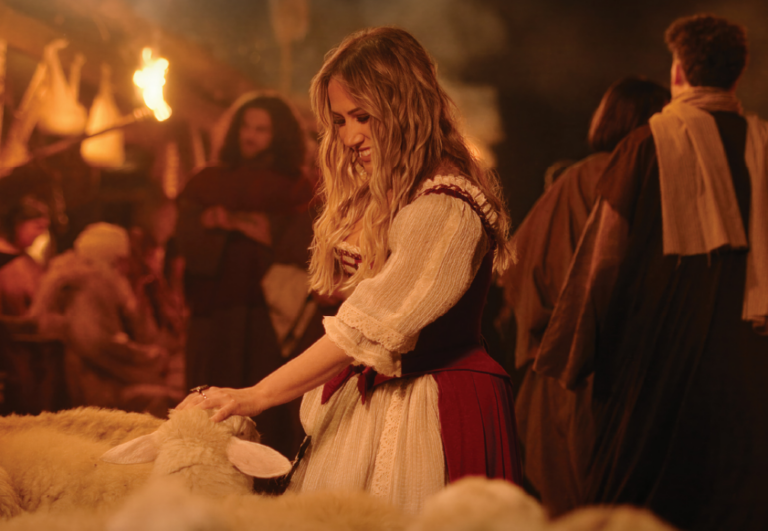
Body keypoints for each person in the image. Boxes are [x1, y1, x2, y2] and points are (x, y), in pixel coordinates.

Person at [178, 27, 521, 513]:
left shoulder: (445, 206)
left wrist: (255, 395)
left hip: (433, 400)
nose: (350, 135)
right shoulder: (397, 194)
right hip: (378, 391)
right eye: (339, 120)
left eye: (363, 116)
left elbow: (367, 326)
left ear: (405, 106)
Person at [533, 15, 768, 530]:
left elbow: (602, 261)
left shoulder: (645, 146)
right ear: (737, 74)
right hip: (748, 368)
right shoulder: (763, 144)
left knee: (640, 506)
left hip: (654, 364)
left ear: (678, 71)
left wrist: (576, 354)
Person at [497, 77, 669, 514]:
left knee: (574, 504)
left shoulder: (581, 178)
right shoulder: (651, 178)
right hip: (631, 368)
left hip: (567, 370)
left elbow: (521, 269)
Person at [176, 93, 314, 456]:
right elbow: (185, 239)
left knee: (265, 404)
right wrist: (215, 221)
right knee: (206, 401)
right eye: (246, 127)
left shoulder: (295, 185)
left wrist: (233, 221)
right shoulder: (207, 180)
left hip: (268, 317)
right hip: (213, 312)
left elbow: (297, 242)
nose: (250, 136)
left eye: (261, 129)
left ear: (279, 134)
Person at [29, 223, 180, 417]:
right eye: (121, 260)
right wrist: (148, 358)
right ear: (111, 259)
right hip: (94, 389)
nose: (125, 267)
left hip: (96, 380)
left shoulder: (96, 284)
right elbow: (97, 344)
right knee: (172, 401)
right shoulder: (88, 287)